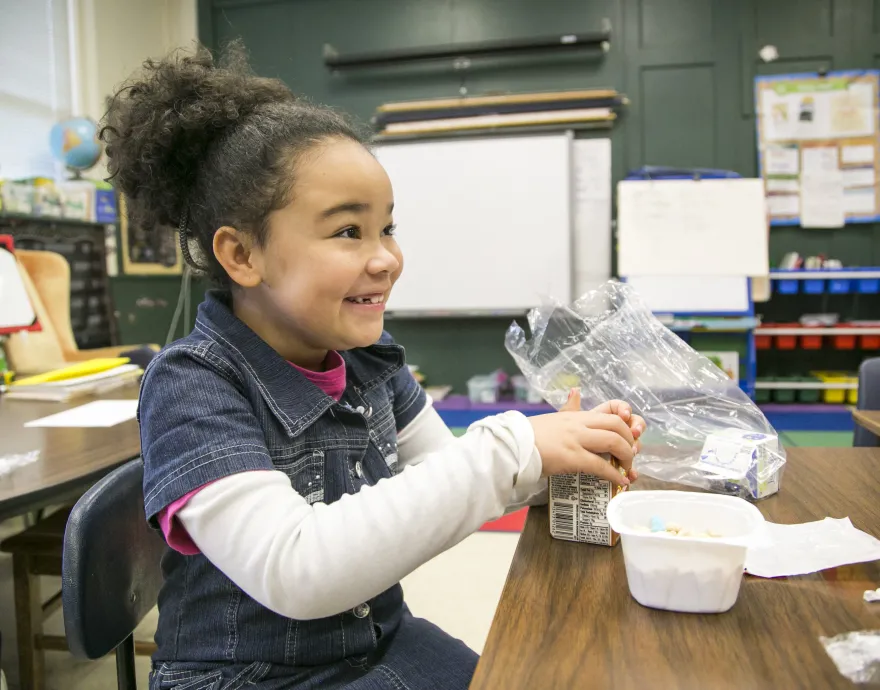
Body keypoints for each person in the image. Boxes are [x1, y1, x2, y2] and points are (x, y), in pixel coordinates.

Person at [104, 42, 645, 690]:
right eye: (347, 232)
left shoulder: (370, 364)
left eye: (387, 228)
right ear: (242, 254)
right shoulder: (193, 385)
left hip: (378, 644)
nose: (386, 258)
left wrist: (561, 461)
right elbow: (296, 568)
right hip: (248, 678)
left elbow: (446, 474)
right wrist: (513, 450)